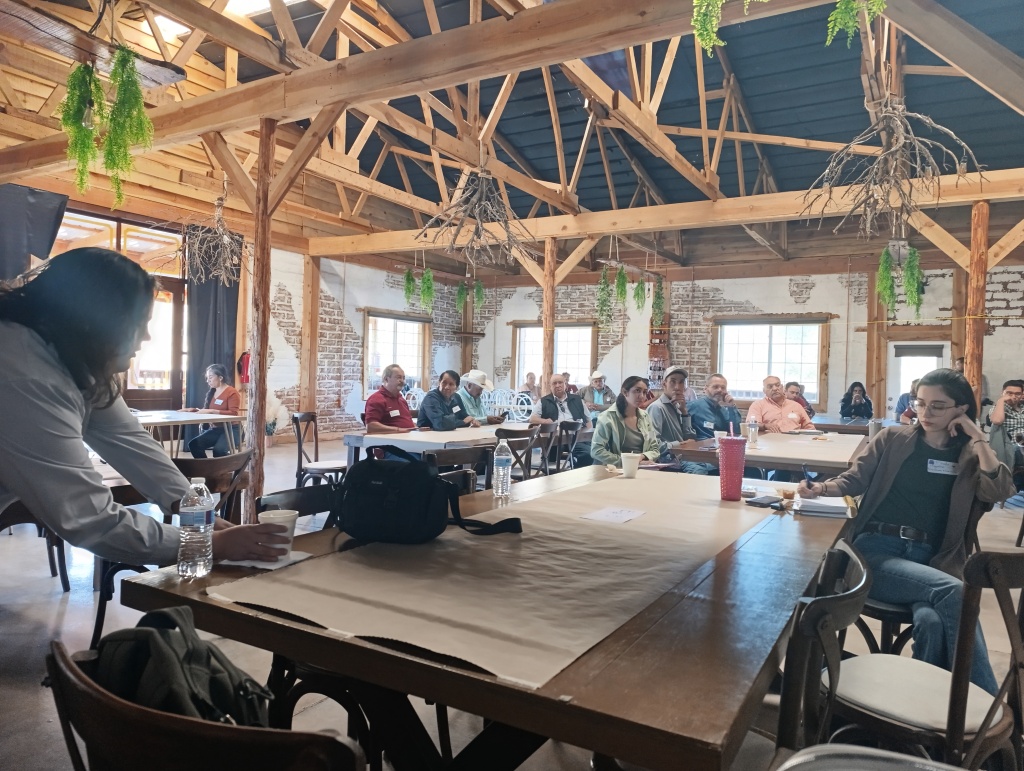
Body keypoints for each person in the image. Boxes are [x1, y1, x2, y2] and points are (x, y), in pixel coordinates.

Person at [0, 248, 287, 566]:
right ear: (97, 322)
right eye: (139, 324)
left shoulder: (72, 355)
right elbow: (91, 520)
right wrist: (209, 543)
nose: (147, 337)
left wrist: (200, 513)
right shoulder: (24, 374)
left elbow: (130, 440)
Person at [799, 368, 1014, 694]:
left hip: (934, 561)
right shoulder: (893, 439)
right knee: (955, 592)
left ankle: (923, 703)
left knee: (931, 621)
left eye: (938, 406)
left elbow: (1000, 491)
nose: (925, 413)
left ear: (961, 409)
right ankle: (986, 705)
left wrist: (978, 437)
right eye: (920, 403)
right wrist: (820, 488)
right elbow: (854, 480)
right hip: (876, 552)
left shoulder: (970, 455)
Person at [647, 366, 709, 474]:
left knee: (719, 466)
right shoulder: (657, 408)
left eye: (681, 382)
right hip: (669, 460)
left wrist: (684, 412)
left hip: (685, 457)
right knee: (701, 472)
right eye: (673, 382)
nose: (677, 387)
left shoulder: (678, 406)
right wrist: (680, 445)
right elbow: (653, 445)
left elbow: (690, 438)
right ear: (664, 384)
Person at [590, 376, 661, 467]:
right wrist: (631, 462)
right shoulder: (607, 417)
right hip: (614, 469)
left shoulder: (645, 417)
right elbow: (596, 451)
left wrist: (642, 456)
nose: (642, 396)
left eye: (644, 392)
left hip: (643, 467)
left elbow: (655, 449)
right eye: (637, 391)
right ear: (625, 392)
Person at [529, 373, 592, 467]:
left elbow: (588, 420)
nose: (557, 385)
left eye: (560, 382)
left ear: (565, 384)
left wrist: (587, 437)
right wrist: (545, 421)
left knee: (589, 454)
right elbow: (532, 419)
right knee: (550, 458)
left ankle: (577, 473)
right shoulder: (543, 401)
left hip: (575, 439)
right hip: (554, 440)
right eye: (554, 383)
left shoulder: (577, 400)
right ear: (550, 386)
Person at [183, 364, 241, 458]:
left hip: (232, 429)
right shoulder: (212, 392)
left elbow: (233, 413)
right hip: (216, 429)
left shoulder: (232, 392)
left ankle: (225, 468)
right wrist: (192, 410)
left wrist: (213, 411)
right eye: (207, 378)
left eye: (210, 377)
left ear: (220, 378)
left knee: (219, 450)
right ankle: (208, 467)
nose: (208, 380)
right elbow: (206, 411)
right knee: (194, 445)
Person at [746, 375, 813, 433]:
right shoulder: (758, 405)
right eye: (770, 386)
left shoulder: (796, 405)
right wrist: (764, 426)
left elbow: (809, 427)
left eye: (777, 385)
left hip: (794, 441)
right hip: (769, 440)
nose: (775, 388)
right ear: (764, 391)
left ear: (782, 387)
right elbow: (750, 425)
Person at [988, 379, 1024, 483]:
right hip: (1010, 447)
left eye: (1017, 394)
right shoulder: (999, 408)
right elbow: (997, 420)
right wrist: (1001, 401)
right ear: (1002, 392)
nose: (1013, 396)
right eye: (1009, 393)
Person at [687, 373, 743, 440]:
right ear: (705, 389)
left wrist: (731, 406)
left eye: (723, 387)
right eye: (715, 387)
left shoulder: (725, 412)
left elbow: (736, 431)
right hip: (700, 445)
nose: (720, 390)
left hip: (720, 445)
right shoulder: (694, 406)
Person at [364, 363, 416, 434]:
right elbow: (371, 426)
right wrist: (398, 430)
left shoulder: (402, 400)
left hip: (409, 437)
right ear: (386, 379)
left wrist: (417, 428)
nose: (402, 381)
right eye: (398, 377)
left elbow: (406, 422)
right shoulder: (376, 399)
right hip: (392, 439)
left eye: (403, 378)